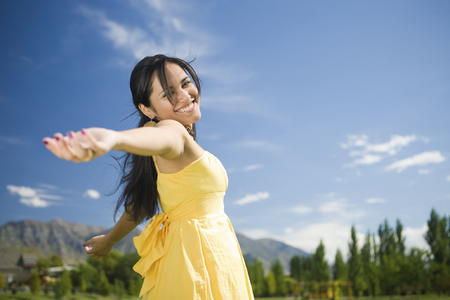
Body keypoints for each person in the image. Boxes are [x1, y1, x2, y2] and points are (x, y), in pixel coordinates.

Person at [43, 55, 254, 299]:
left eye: (186, 84)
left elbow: (140, 204)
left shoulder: (166, 143)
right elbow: (166, 138)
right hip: (198, 262)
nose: (185, 96)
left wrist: (110, 240)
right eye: (168, 94)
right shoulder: (171, 130)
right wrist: (114, 138)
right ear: (147, 109)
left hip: (205, 255)